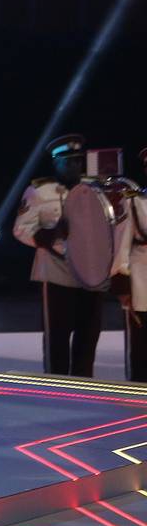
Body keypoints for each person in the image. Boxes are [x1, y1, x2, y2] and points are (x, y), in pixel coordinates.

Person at [12, 133, 103, 376]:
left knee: (89, 333)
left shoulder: (95, 188)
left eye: (78, 160)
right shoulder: (40, 191)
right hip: (57, 272)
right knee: (58, 336)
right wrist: (50, 236)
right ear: (56, 163)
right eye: (69, 161)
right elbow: (21, 229)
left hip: (92, 272)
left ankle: (84, 385)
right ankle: (57, 383)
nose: (75, 165)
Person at [113, 149, 147, 382]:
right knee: (141, 346)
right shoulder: (133, 201)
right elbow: (122, 242)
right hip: (142, 278)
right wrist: (122, 280)